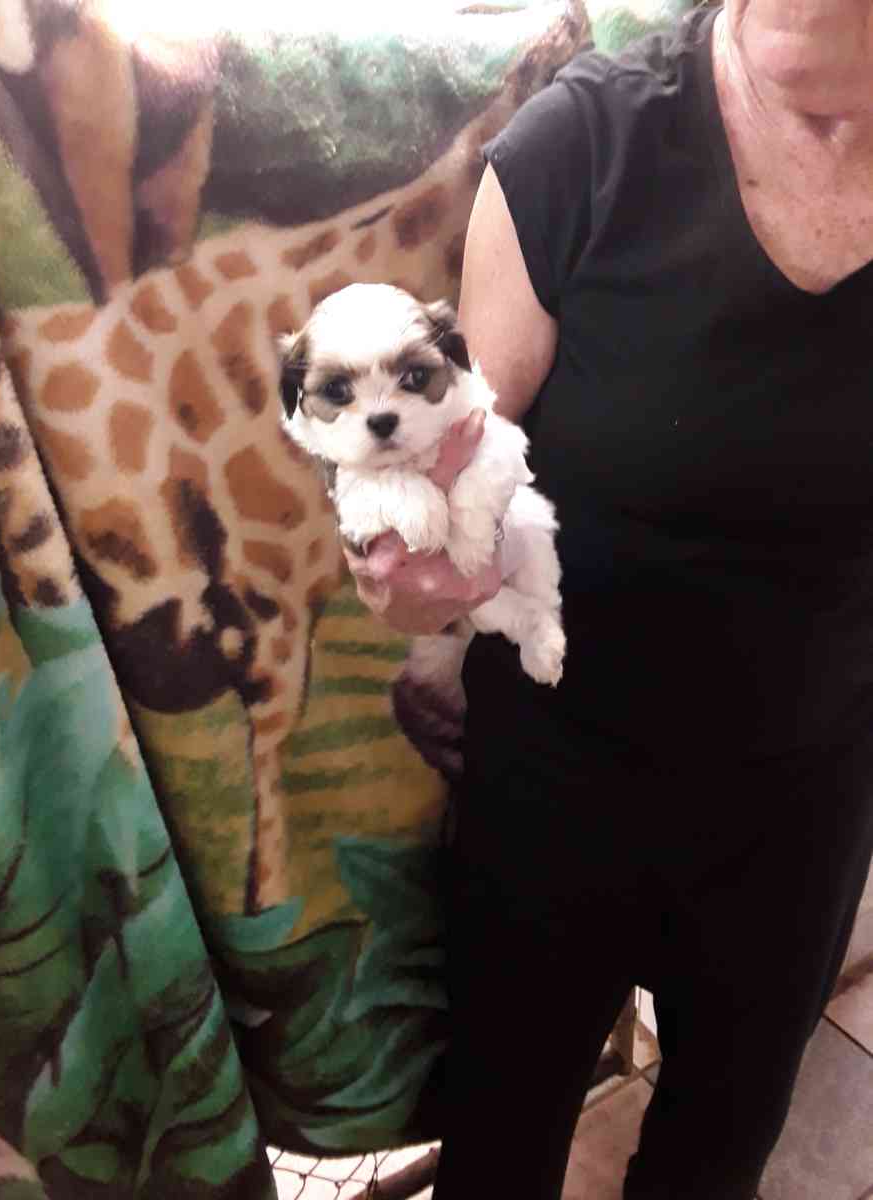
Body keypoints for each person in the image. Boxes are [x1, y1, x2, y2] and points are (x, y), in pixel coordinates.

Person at [347, 0, 873, 1196]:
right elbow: (460, 485)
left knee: (716, 1155)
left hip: (805, 800)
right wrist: (420, 576)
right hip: (559, 786)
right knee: (500, 1153)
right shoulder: (578, 150)